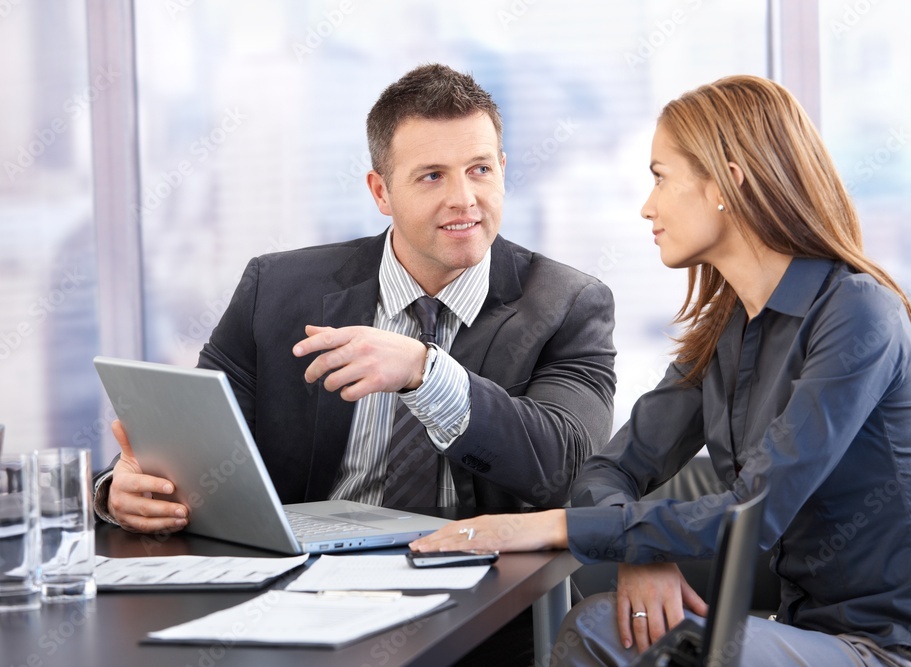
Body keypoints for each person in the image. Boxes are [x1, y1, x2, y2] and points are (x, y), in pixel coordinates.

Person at [411, 75, 911, 666]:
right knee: (606, 624)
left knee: (600, 630)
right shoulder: (728, 330)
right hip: (800, 632)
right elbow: (610, 469)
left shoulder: (857, 312)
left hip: (891, 651)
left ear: (727, 183)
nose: (648, 206)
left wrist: (546, 528)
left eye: (661, 177)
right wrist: (642, 554)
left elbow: (756, 513)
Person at [92, 63, 617, 533]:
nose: (464, 199)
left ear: (502, 167)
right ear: (380, 192)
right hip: (303, 593)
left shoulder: (568, 305)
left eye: (480, 169)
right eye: (432, 176)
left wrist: (425, 373)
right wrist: (123, 491)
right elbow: (196, 450)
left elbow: (568, 470)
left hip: (483, 604)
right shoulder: (275, 290)